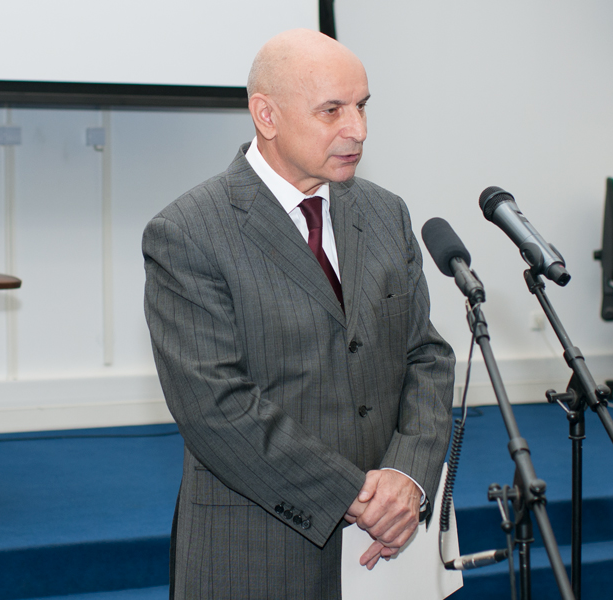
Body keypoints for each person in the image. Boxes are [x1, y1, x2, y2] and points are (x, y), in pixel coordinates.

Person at [143, 28, 455, 599]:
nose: (357, 130)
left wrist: (407, 475)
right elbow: (216, 408)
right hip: (258, 550)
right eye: (331, 110)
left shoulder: (385, 213)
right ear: (267, 115)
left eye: (362, 106)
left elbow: (426, 356)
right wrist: (357, 497)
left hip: (388, 547)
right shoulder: (188, 232)